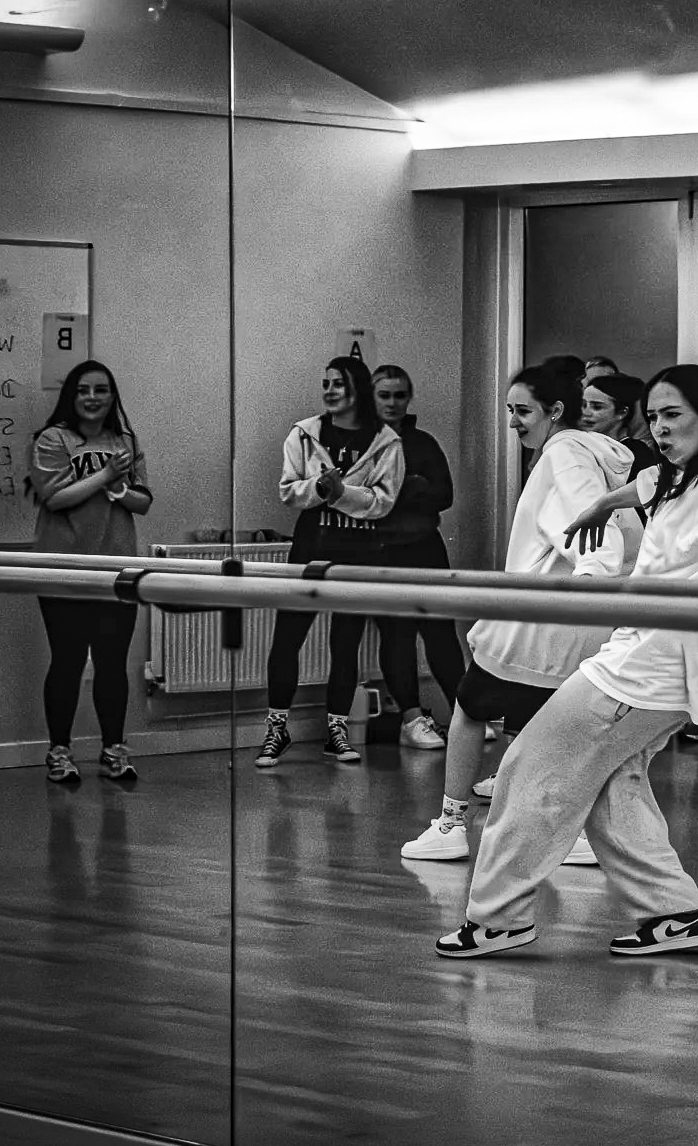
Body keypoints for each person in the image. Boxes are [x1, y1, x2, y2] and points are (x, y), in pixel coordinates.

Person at [434, 364, 698, 960]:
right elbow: (638, 489)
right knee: (617, 788)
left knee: (529, 769)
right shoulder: (676, 474)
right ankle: (676, 915)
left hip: (648, 667)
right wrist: (595, 510)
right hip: (647, 657)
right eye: (656, 418)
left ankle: (499, 917)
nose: (661, 430)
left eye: (675, 416)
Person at [401, 360, 638, 867]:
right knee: (540, 727)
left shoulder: (565, 453)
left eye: (522, 411)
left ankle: (451, 824)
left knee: (469, 710)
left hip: (540, 616)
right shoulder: (598, 455)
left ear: (556, 411)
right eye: (509, 410)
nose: (513, 422)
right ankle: (566, 829)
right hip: (572, 619)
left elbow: (593, 523)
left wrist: (594, 574)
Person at [257, 357, 403, 768]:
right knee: (288, 636)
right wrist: (321, 488)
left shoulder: (386, 441)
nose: (329, 390)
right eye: (325, 383)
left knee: (346, 641)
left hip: (358, 548)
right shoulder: (304, 434)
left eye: (338, 383)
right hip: (311, 544)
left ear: (356, 389)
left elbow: (383, 502)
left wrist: (342, 493)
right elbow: (289, 491)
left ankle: (336, 730)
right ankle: (276, 728)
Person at [28, 362, 153, 785]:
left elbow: (142, 501)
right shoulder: (53, 439)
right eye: (84, 390)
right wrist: (105, 476)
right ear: (72, 396)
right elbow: (56, 498)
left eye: (102, 390)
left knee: (112, 664)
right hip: (63, 569)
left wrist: (119, 489)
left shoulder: (125, 441)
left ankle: (113, 751)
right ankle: (59, 752)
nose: (93, 397)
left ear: (112, 396)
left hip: (116, 571)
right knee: (66, 661)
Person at [371, 365, 467, 752]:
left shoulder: (423, 442)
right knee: (397, 633)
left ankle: (465, 716)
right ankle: (412, 718)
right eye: (384, 395)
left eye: (399, 395)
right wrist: (410, 487)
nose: (392, 403)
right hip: (380, 551)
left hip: (425, 546)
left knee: (441, 632)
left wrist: (403, 489)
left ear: (408, 398)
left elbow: (443, 494)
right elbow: (363, 499)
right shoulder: (360, 442)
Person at [580, 372, 660, 477]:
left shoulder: (637, 453)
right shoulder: (578, 445)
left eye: (597, 407)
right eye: (583, 405)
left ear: (621, 413)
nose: (585, 412)